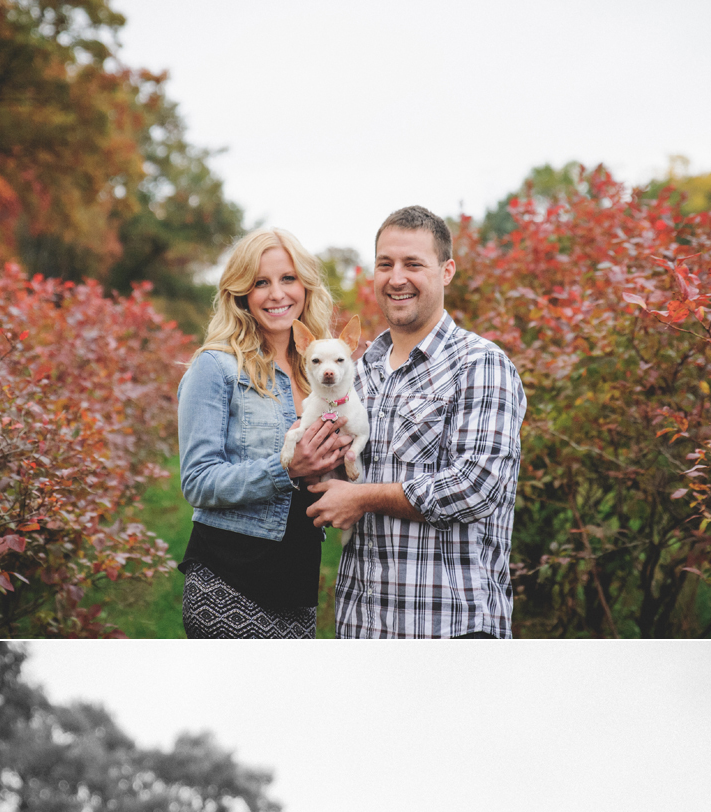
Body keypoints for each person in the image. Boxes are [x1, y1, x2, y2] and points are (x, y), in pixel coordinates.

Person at [306, 207, 526, 640]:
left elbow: (477, 487)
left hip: (449, 627)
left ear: (446, 271)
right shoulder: (359, 370)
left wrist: (362, 498)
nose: (396, 278)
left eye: (413, 264)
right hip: (363, 624)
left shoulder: (480, 365)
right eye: (385, 264)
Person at [177, 228, 349, 638]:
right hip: (229, 576)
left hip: (297, 582)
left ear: (305, 286)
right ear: (241, 293)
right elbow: (197, 482)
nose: (277, 294)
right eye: (260, 282)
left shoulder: (322, 370)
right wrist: (286, 468)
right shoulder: (215, 368)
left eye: (288, 279)